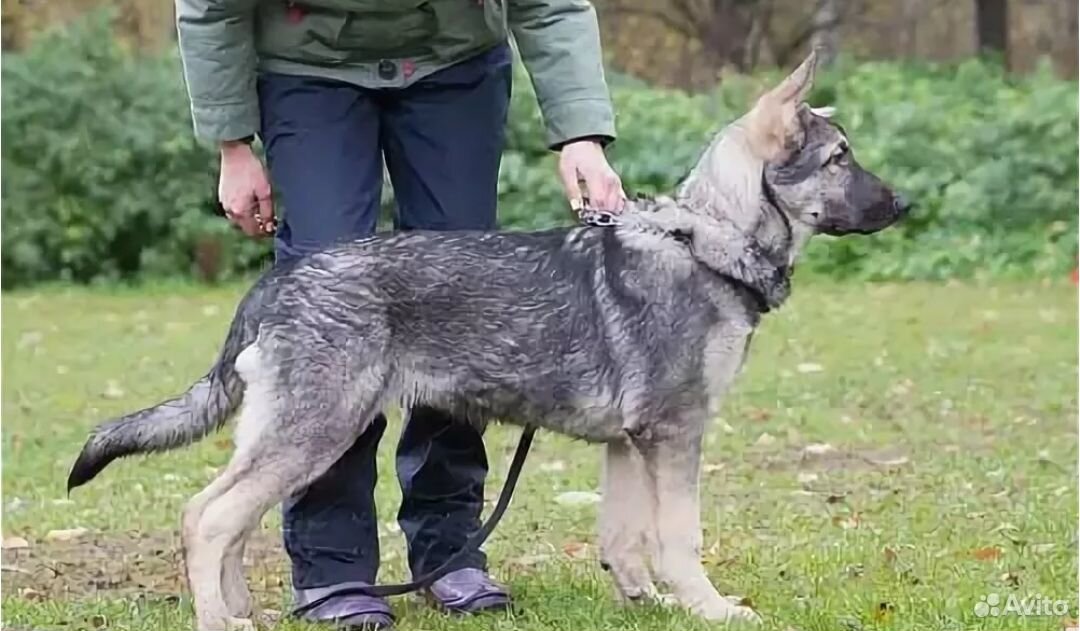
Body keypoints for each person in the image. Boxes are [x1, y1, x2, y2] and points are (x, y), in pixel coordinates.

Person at [175, 1, 625, 628]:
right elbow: (210, 6)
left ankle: (450, 549)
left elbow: (549, 3)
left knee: (470, 303)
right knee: (330, 309)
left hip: (453, 60)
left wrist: (581, 133)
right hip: (309, 66)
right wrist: (232, 144)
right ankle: (332, 567)